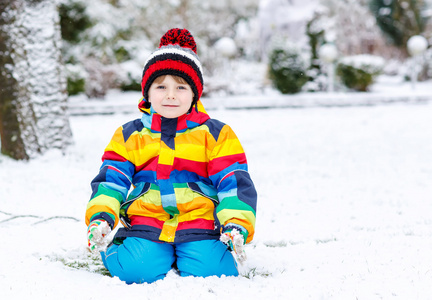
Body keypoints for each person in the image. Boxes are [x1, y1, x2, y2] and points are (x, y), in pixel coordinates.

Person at [85, 28, 257, 284]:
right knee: (134, 271)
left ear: (195, 94)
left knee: (215, 273)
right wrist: (101, 217)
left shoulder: (216, 134)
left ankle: (195, 254)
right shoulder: (130, 134)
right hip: (147, 222)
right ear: (147, 91)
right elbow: (112, 180)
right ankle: (129, 249)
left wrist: (235, 224)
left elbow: (233, 181)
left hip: (199, 223)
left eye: (181, 87)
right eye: (161, 86)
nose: (170, 95)